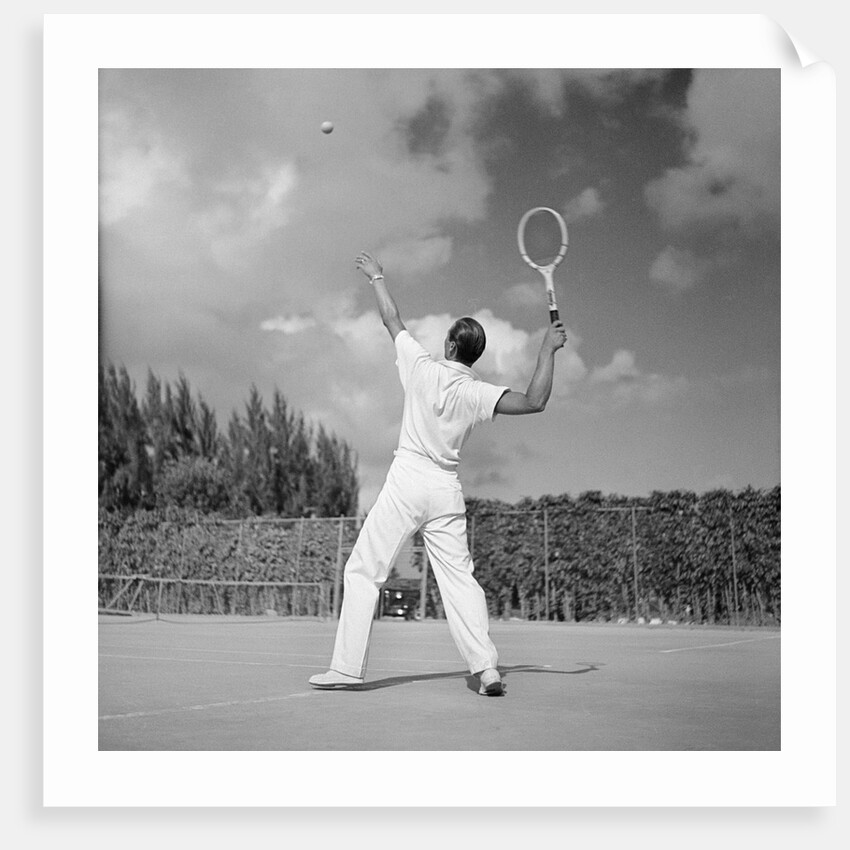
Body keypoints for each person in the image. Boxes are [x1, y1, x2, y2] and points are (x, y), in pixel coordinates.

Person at [309, 250, 567, 696]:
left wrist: (377, 276)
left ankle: (348, 669)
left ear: (449, 345)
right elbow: (534, 401)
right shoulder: (476, 391)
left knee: (363, 570)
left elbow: (392, 319)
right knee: (460, 583)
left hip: (407, 480)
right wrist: (547, 348)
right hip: (445, 490)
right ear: (474, 355)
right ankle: (486, 669)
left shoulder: (420, 366)